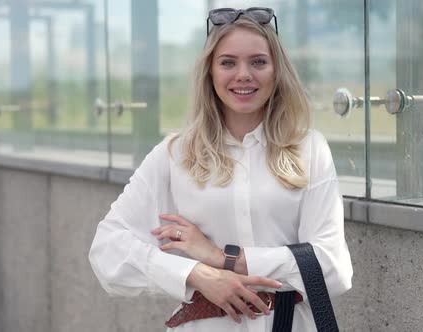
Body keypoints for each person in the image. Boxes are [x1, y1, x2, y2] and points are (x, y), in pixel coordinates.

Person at [89, 7, 352, 332]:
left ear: (277, 71)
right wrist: (197, 275)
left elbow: (333, 267)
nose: (243, 74)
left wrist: (223, 258)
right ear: (210, 73)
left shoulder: (309, 148)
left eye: (258, 61)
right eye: (228, 62)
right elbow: (107, 249)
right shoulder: (175, 154)